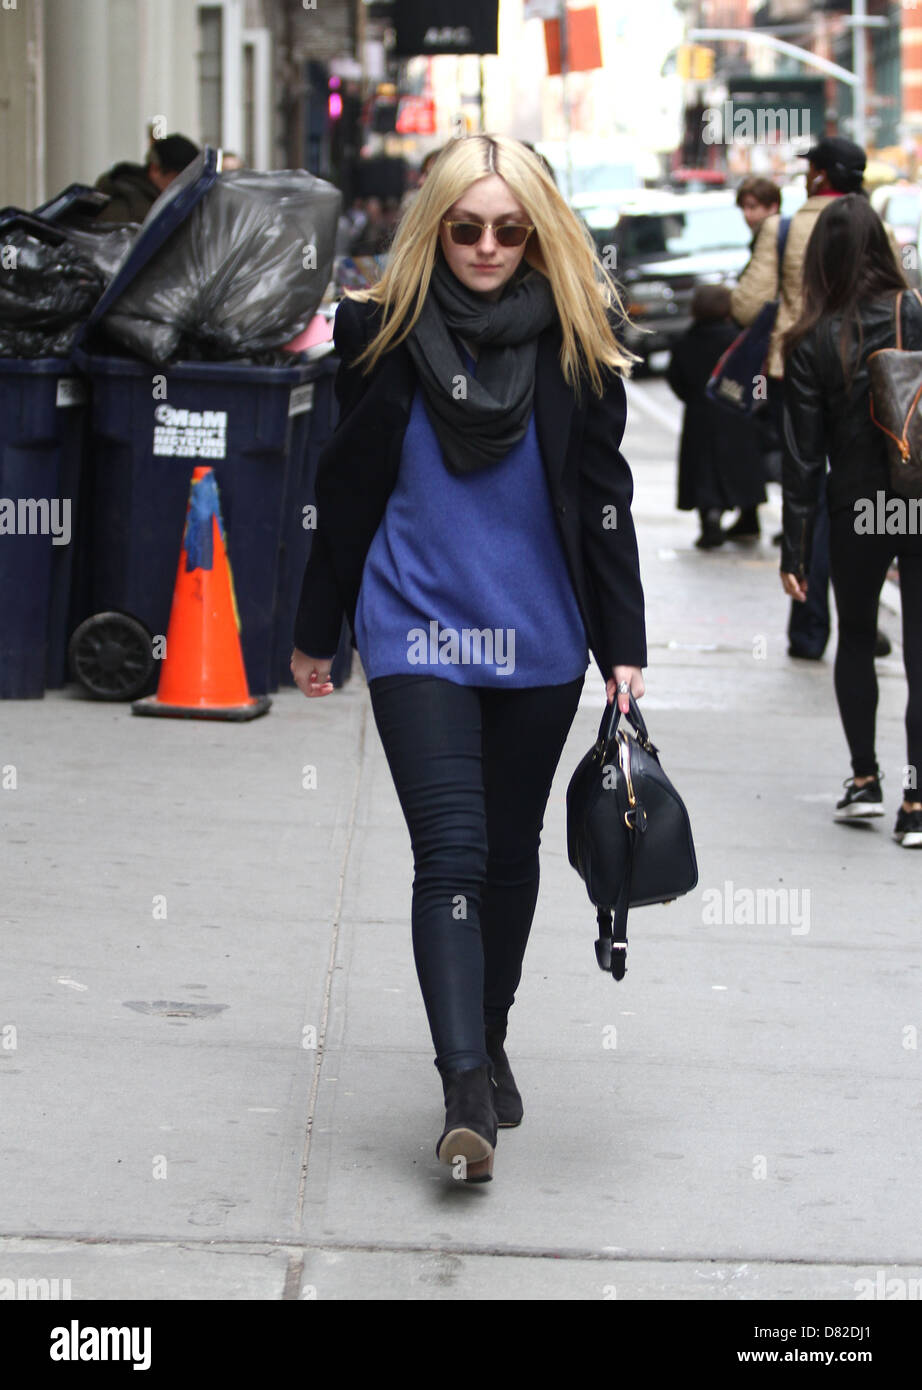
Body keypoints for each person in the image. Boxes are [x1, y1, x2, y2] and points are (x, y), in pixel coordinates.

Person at [290, 134, 648, 1182]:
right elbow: (346, 487)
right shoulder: (378, 330)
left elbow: (602, 499)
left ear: (536, 231)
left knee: (508, 855)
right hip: (418, 633)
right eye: (464, 227)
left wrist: (623, 643)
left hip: (539, 638)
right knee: (447, 855)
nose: (486, 246)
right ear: (433, 226)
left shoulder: (579, 336)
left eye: (508, 228)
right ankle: (461, 1095)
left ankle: (489, 1036)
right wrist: (319, 628)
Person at [780, 193, 922, 847]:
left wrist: (797, 550)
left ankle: (865, 779)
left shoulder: (809, 338)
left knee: (857, 638)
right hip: (917, 497)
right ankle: (916, 796)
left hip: (856, 504)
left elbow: (803, 457)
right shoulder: (911, 310)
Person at [732, 137, 901, 659]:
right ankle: (860, 615)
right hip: (868, 383)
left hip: (795, 372)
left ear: (821, 175)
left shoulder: (783, 229)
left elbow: (745, 305)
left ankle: (809, 628)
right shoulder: (877, 228)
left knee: (805, 489)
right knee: (863, 496)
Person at [666, 284, 766, 549]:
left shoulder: (685, 342)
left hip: (700, 415)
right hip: (738, 415)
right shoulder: (741, 341)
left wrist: (692, 398)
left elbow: (675, 379)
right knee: (743, 466)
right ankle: (749, 518)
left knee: (704, 470)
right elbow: (758, 377)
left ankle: (710, 521)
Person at [729, 176, 782, 539]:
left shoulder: (775, 237)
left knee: (771, 434)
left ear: (772, 207)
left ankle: (795, 520)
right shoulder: (767, 237)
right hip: (767, 356)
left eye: (755, 207)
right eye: (745, 207)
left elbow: (751, 303)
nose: (749, 215)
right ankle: (753, 513)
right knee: (755, 429)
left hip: (772, 357)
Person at [93, 134, 200, 224]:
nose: (187, 187)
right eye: (180, 179)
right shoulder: (125, 209)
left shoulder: (156, 205)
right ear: (155, 170)